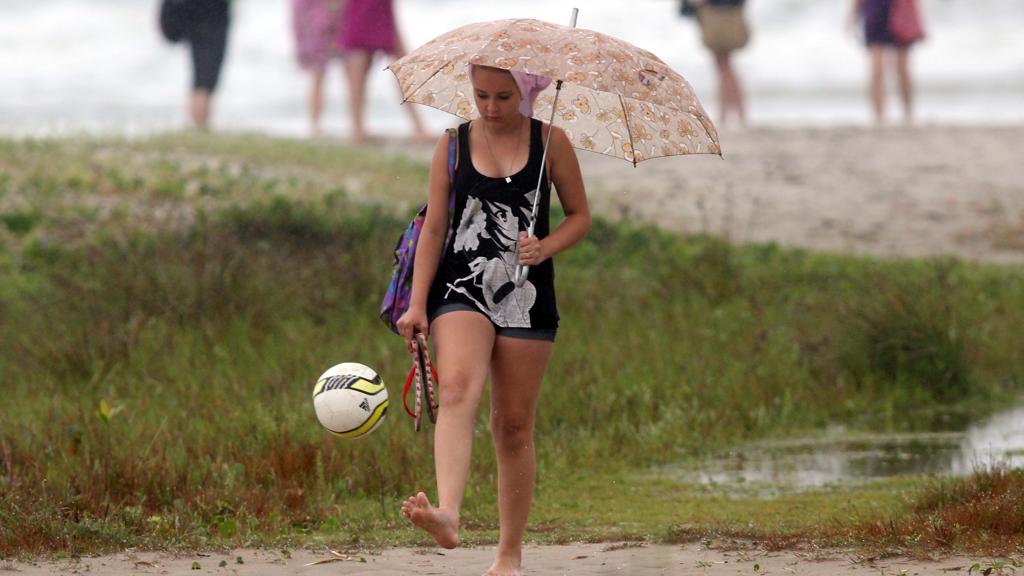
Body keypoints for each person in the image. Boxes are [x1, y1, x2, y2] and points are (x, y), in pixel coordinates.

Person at [396, 65, 591, 576]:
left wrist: (544, 246)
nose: (490, 106)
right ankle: (448, 514)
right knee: (458, 387)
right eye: (481, 95)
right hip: (460, 286)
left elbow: (580, 217)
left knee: (512, 425)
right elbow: (435, 227)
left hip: (528, 296)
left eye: (503, 96)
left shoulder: (552, 142)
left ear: (526, 92)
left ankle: (509, 554)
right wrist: (417, 304)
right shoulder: (452, 144)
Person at [337, 0, 430, 142]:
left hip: (380, 8)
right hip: (360, 8)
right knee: (360, 64)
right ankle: (357, 129)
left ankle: (418, 128)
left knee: (399, 64)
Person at [161, 0, 232, 130]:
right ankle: (199, 127)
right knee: (204, 81)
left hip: (181, 8)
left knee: (202, 77)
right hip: (212, 11)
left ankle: (197, 126)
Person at [850, 0, 922, 124]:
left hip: (900, 6)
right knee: (876, 70)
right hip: (873, 8)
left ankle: (908, 116)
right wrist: (852, 15)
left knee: (902, 69)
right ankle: (879, 118)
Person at [681, 0, 750, 127]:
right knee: (724, 66)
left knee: (723, 65)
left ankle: (730, 113)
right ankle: (733, 113)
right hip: (724, 14)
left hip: (719, 16)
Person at [291, 0, 343, 136]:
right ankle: (315, 124)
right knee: (318, 72)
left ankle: (315, 124)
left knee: (319, 72)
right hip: (316, 12)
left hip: (317, 11)